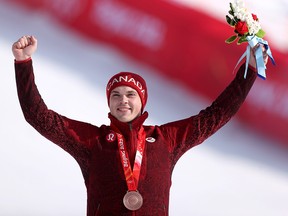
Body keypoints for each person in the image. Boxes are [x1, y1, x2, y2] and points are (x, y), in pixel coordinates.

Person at [13, 35, 268, 216]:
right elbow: (38, 116)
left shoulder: (167, 138)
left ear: (142, 101)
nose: (123, 100)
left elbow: (216, 115)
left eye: (130, 94)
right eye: (116, 95)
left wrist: (250, 71)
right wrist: (23, 64)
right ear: (109, 103)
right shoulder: (91, 141)